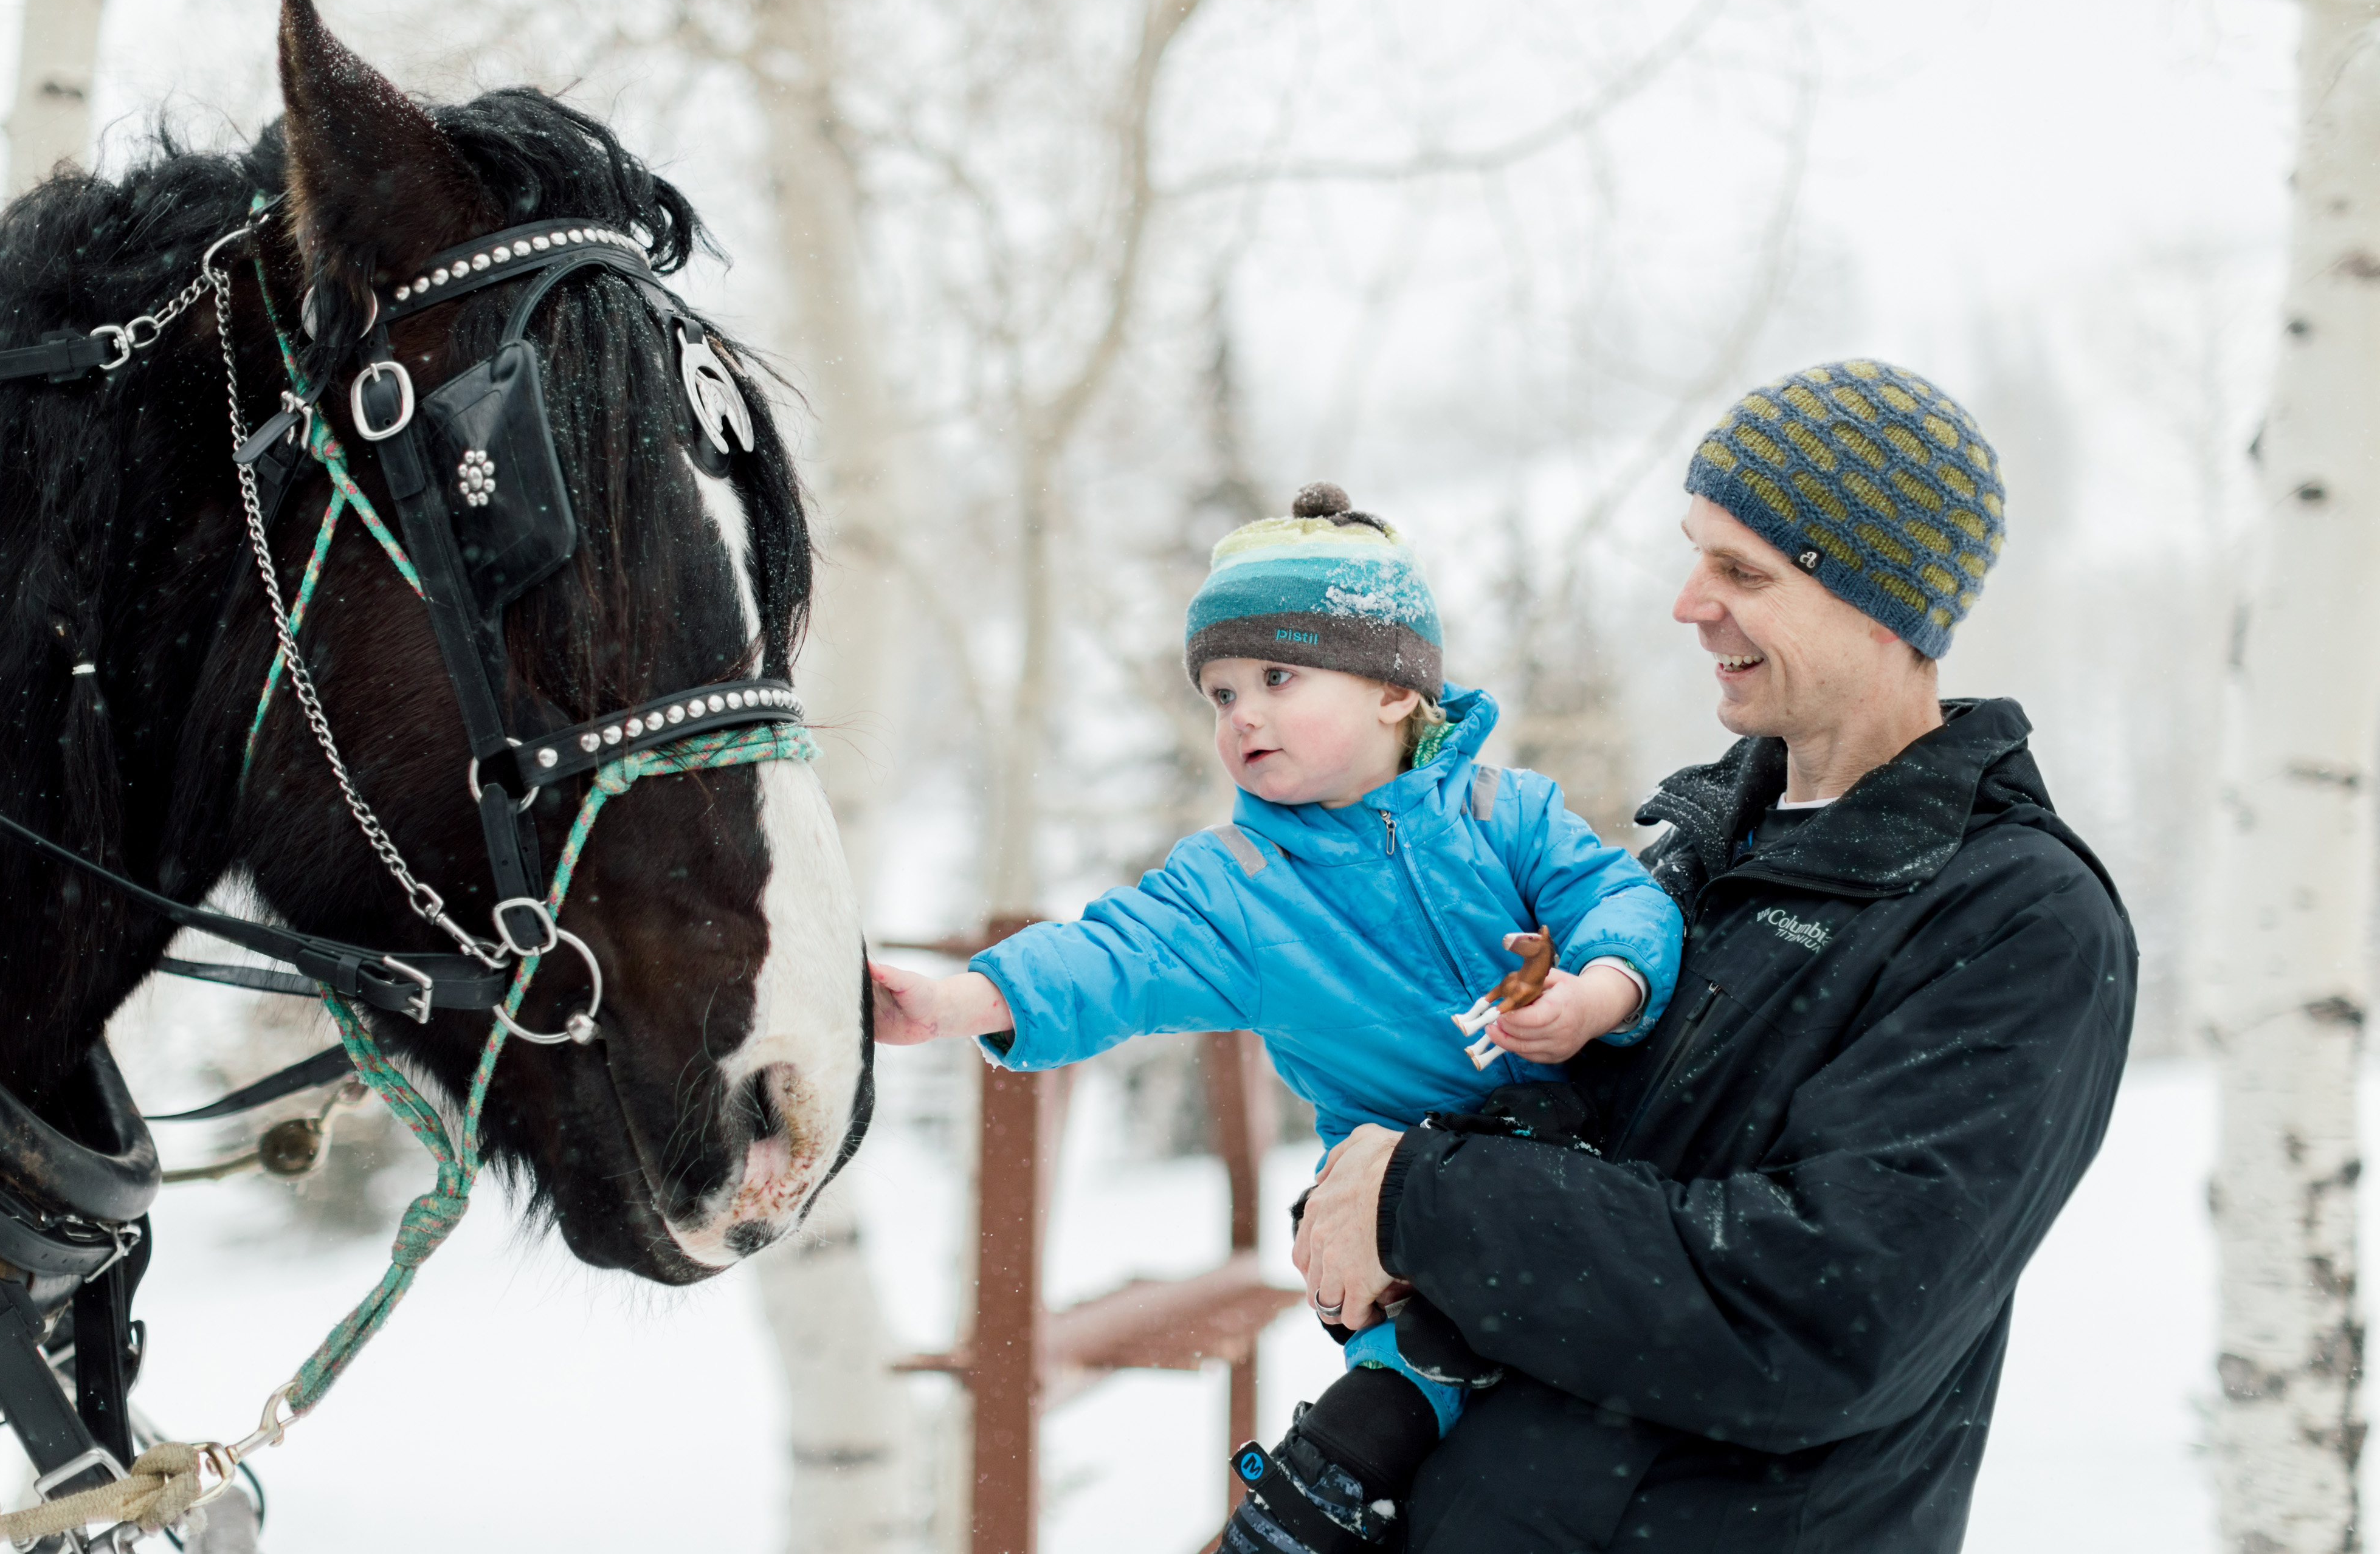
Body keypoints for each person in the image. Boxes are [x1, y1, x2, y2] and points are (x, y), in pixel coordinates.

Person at [1287, 359, 2137, 1552]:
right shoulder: (1679, 865)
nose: (1688, 602)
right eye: (1695, 553)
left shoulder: (2012, 919)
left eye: (1743, 571)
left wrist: (1423, 1200)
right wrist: (1361, 1190)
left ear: (1883, 607)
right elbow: (1512, 1147)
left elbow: (1816, 1312)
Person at [871, 483, 1686, 1553]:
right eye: (1218, 693)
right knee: (1427, 1367)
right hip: (1413, 1205)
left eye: (1277, 676)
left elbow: (1622, 900)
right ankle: (1315, 1503)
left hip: (1595, 1160)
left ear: (1397, 690)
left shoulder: (1507, 813)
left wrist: (1597, 992)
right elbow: (1117, 951)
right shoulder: (1241, 885)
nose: (1240, 713)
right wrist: (954, 999)